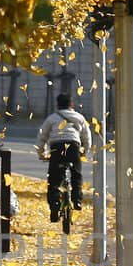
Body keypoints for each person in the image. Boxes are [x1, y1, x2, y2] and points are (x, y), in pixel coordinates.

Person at [36, 92, 92, 221]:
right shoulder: (79, 117)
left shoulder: (52, 118)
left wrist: (42, 154)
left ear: (58, 104)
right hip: (74, 147)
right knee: (76, 174)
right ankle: (77, 200)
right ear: (71, 104)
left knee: (54, 178)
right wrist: (84, 152)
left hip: (57, 147)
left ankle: (55, 206)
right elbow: (86, 137)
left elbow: (42, 136)